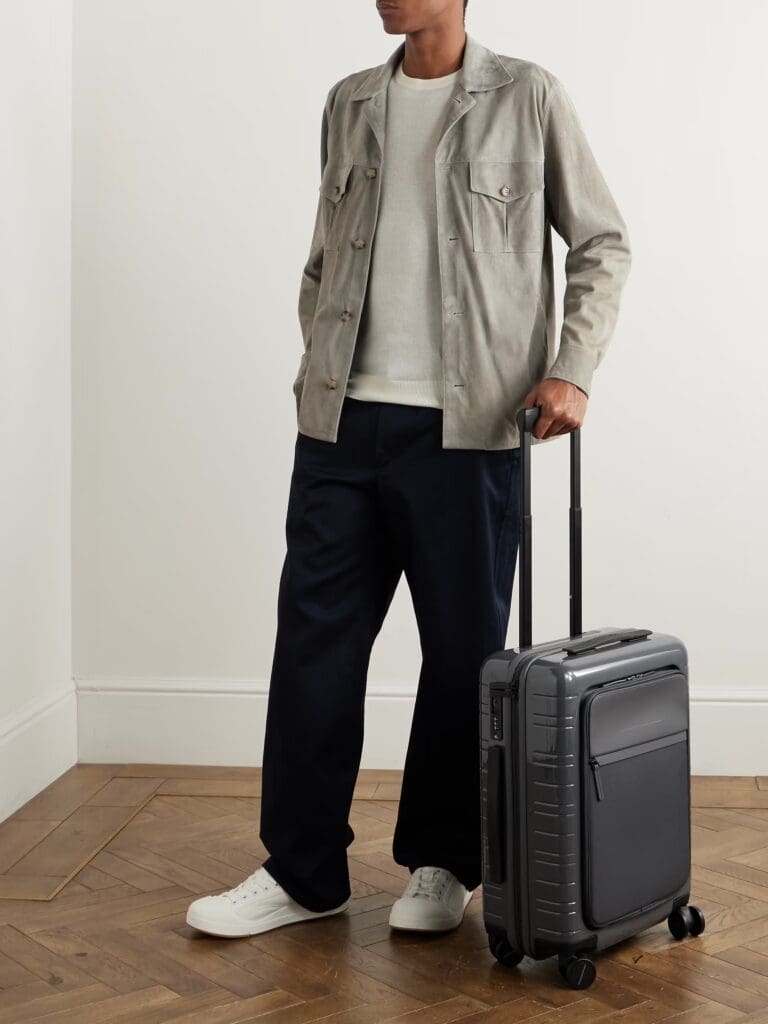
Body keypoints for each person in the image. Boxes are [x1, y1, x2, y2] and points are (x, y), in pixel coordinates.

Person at [186, 0, 630, 938]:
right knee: (313, 647)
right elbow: (324, 261)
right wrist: (318, 357)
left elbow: (601, 243)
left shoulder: (528, 95)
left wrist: (572, 369)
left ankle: (446, 862)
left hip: (471, 429)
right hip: (341, 423)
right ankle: (302, 871)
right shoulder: (350, 101)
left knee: (461, 654)